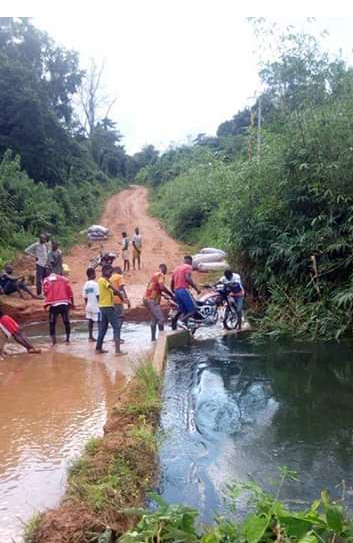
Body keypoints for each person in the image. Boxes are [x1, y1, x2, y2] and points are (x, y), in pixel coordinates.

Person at [96, 265, 125, 355]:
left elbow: (112, 292)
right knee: (116, 327)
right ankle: (117, 351)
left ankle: (98, 348)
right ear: (104, 271)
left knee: (103, 328)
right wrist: (122, 297)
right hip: (108, 307)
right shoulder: (103, 281)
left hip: (103, 307)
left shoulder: (102, 281)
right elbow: (115, 290)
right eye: (109, 272)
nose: (111, 274)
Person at [43, 267, 74, 345]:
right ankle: (67, 340)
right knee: (66, 321)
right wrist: (72, 303)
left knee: (52, 323)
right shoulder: (64, 279)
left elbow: (46, 292)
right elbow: (69, 291)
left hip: (54, 305)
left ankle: (54, 342)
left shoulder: (46, 280)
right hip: (64, 303)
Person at [143, 264, 174, 341]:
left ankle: (153, 339)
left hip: (146, 299)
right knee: (161, 319)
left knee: (154, 319)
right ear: (164, 269)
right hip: (152, 300)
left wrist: (163, 295)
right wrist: (171, 294)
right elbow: (162, 287)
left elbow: (155, 288)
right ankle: (162, 340)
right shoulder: (161, 275)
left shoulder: (154, 275)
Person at [171, 256, 201, 328]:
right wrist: (196, 289)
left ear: (184, 260)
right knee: (193, 309)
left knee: (185, 311)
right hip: (183, 290)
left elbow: (172, 283)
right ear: (190, 262)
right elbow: (188, 278)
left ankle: (185, 327)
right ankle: (181, 321)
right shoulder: (188, 267)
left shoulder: (176, 269)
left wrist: (174, 292)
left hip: (177, 291)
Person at [111, 266, 131, 349]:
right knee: (121, 318)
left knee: (115, 319)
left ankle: (115, 337)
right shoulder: (119, 277)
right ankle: (117, 337)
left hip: (111, 301)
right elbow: (121, 289)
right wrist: (126, 300)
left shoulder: (110, 277)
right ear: (119, 271)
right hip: (118, 300)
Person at [82, 268, 100, 341]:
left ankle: (90, 336)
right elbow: (98, 295)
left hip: (89, 305)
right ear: (92, 274)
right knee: (99, 321)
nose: (95, 275)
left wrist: (87, 305)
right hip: (95, 305)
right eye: (94, 273)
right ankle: (100, 337)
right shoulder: (95, 284)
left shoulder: (85, 285)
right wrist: (100, 304)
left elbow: (85, 297)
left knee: (90, 321)